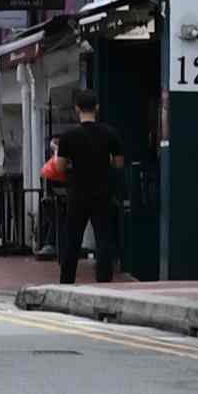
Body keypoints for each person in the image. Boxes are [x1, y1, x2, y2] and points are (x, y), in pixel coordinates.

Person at [45, 101, 124, 285]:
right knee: (104, 239)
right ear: (97, 107)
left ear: (77, 108)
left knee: (72, 238)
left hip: (78, 193)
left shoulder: (69, 136)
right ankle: (104, 281)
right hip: (103, 193)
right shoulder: (110, 133)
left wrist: (61, 154)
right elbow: (119, 163)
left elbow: (60, 167)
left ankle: (67, 280)